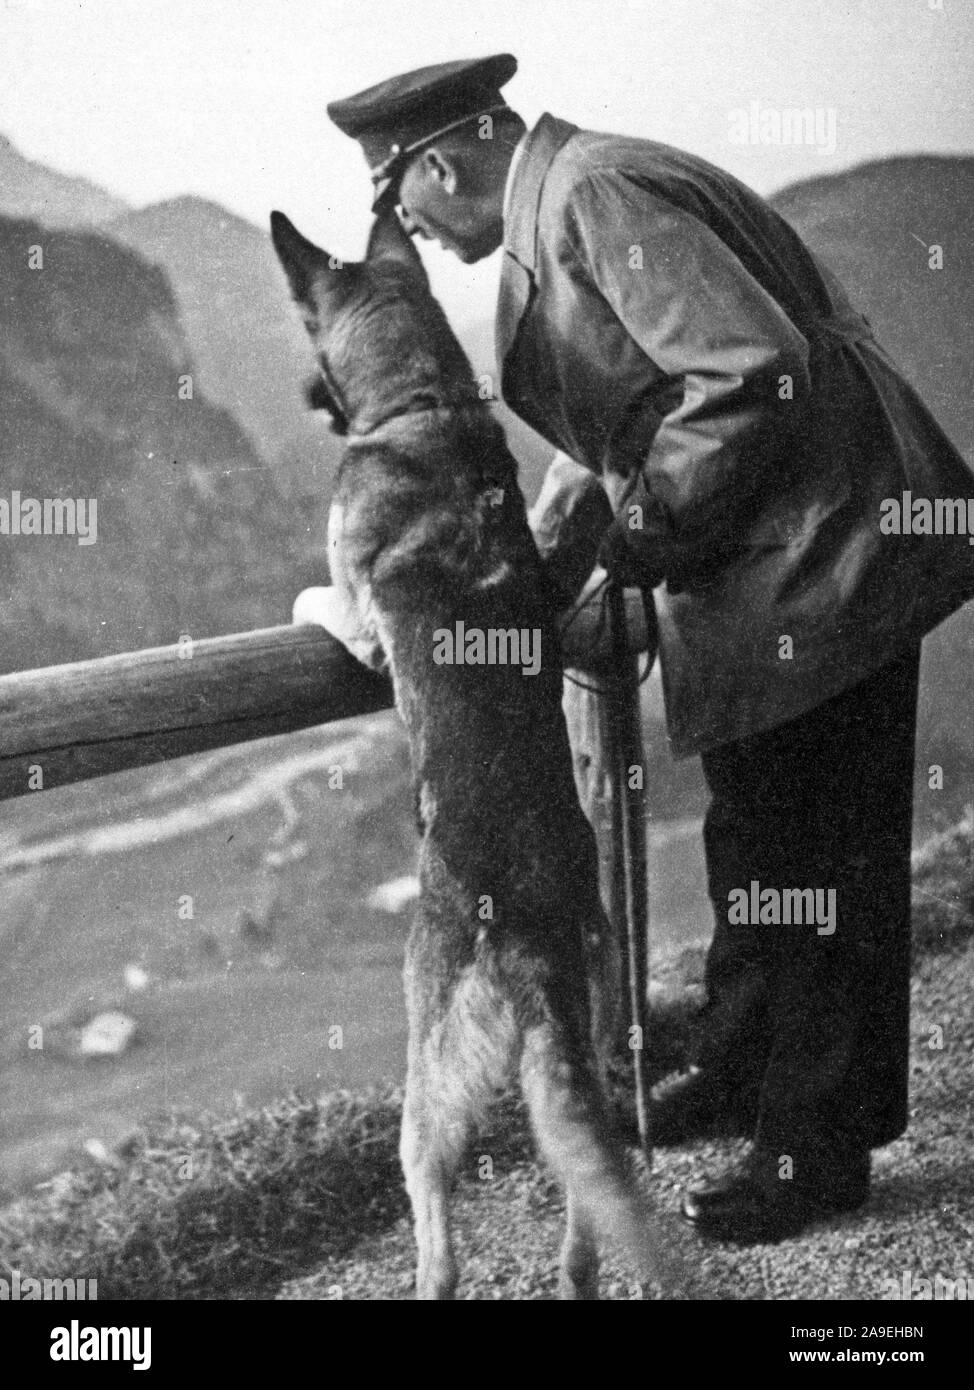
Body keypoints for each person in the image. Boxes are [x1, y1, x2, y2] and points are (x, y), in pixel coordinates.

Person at [311, 54, 974, 1241]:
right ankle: (740, 1065)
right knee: (756, 825)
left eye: (398, 196)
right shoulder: (567, 196)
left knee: (814, 850)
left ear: (444, 158)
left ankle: (810, 1151)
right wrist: (584, 495)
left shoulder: (588, 198)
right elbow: (647, 389)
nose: (402, 224)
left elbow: (746, 374)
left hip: (820, 553)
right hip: (780, 560)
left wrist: (633, 529)